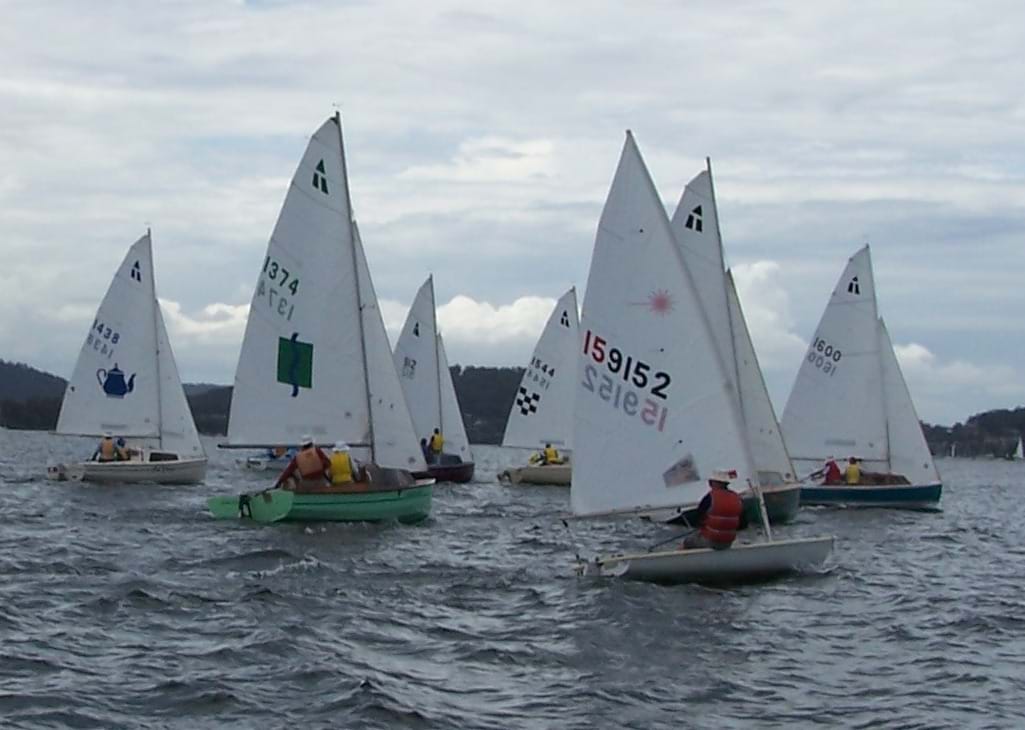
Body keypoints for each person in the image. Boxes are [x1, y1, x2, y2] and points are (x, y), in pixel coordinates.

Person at [681, 469, 744, 551]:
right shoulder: (737, 498)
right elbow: (742, 522)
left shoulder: (710, 497)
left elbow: (698, 516)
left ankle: (679, 558)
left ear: (714, 483)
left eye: (711, 482)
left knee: (687, 542)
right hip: (728, 542)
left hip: (711, 541)